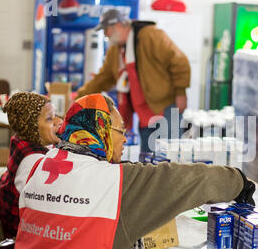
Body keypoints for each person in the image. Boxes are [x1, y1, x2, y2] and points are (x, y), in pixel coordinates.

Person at [11, 93, 256, 249]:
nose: (126, 139)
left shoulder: (37, 165)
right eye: (121, 131)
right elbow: (187, 180)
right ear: (102, 130)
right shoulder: (113, 181)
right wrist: (239, 182)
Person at [76, 9, 190, 153]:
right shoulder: (115, 51)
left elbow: (180, 61)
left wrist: (181, 93)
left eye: (106, 30)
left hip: (165, 107)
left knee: (169, 156)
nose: (105, 35)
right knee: (148, 161)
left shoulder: (151, 35)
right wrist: (80, 99)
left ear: (117, 25)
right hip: (143, 115)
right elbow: (103, 79)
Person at [0, 92, 62, 239]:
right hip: (23, 237)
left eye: (56, 115)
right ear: (32, 127)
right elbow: (43, 206)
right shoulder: (34, 161)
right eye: (49, 119)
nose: (59, 121)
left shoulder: (23, 141)